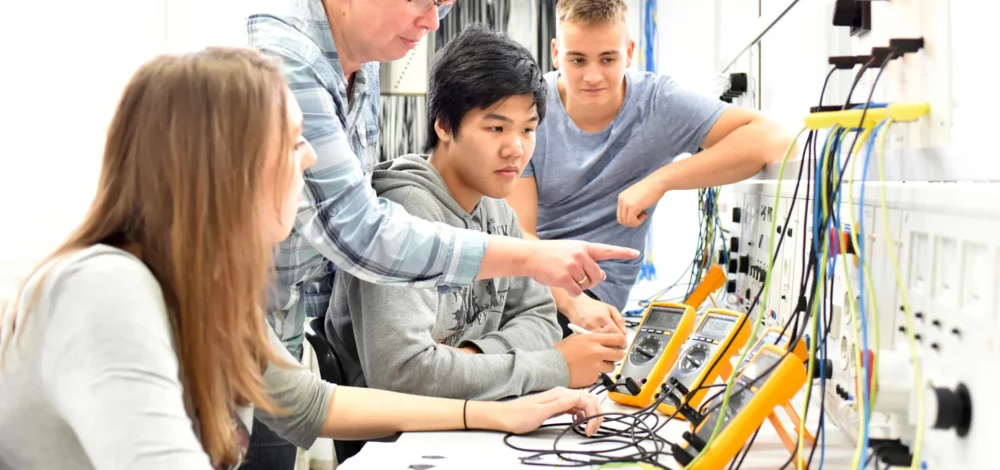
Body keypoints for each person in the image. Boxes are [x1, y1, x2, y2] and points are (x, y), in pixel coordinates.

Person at [0, 48, 605, 470]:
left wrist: (494, 415)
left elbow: (312, 403)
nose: (311, 161)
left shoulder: (206, 292)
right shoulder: (108, 289)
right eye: (292, 143)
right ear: (222, 164)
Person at [245, 0, 635, 464]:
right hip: (235, 341)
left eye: (442, 4)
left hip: (278, 352)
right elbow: (359, 232)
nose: (430, 22)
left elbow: (533, 319)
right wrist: (533, 277)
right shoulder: (289, 62)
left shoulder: (360, 61)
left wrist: (489, 348)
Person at [326, 26, 628, 402]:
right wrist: (554, 366)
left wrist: (470, 358)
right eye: (496, 127)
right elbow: (403, 375)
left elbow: (542, 318)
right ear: (444, 125)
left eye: (528, 129)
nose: (516, 149)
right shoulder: (403, 213)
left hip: (479, 414)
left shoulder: (496, 206)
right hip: (401, 441)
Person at [507, 0, 790, 337]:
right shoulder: (530, 111)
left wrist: (661, 180)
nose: (592, 75)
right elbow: (520, 236)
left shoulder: (657, 103)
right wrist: (572, 302)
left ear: (629, 52)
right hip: (536, 282)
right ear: (554, 53)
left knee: (520, 354)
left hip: (595, 295)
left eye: (608, 59)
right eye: (577, 60)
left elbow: (772, 137)